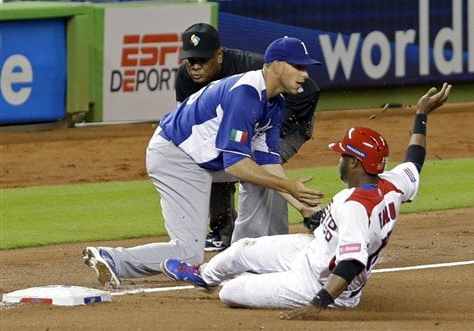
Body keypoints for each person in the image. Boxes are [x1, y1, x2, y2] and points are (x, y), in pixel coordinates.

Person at [159, 83, 453, 317]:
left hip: (319, 283)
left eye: (343, 155)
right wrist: (422, 115)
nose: (339, 159)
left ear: (355, 164)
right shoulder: (392, 183)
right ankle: (203, 276)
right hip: (314, 252)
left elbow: (351, 263)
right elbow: (415, 160)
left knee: (231, 292)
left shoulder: (355, 206)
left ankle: (252, 285)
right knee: (242, 250)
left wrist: (318, 304)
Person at [83, 36, 324, 289]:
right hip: (175, 157)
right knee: (188, 253)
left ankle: (247, 262)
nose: (305, 74)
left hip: (202, 158)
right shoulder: (246, 95)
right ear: (276, 66)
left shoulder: (275, 102)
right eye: (299, 67)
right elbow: (235, 164)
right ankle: (112, 257)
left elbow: (266, 159)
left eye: (305, 68)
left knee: (264, 182)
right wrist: (288, 187)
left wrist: (305, 209)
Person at [175, 23, 321, 251]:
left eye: (202, 59)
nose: (194, 66)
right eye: (190, 59)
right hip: (244, 124)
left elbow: (309, 89)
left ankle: (274, 237)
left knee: (260, 172)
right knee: (219, 161)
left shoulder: (256, 69)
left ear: (219, 56)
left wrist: (271, 123)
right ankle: (224, 233)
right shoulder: (185, 79)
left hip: (289, 123)